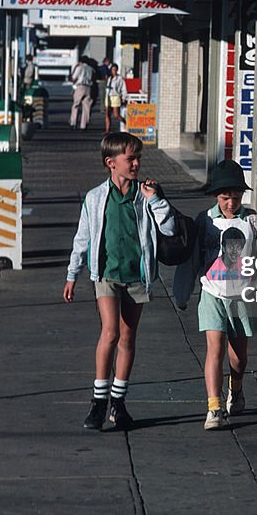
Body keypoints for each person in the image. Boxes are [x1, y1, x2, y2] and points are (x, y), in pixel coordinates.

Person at [63, 132, 177, 430]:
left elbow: (169, 228)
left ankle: (118, 401)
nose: (137, 163)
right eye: (131, 159)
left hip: (137, 276)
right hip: (107, 275)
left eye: (139, 157)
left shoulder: (146, 193)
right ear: (111, 163)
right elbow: (83, 238)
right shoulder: (95, 197)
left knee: (128, 337)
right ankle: (99, 402)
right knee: (110, 332)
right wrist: (72, 274)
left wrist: (157, 202)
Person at [195, 159, 257, 430]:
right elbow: (193, 257)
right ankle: (214, 407)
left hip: (242, 294)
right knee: (214, 349)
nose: (230, 203)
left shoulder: (253, 221)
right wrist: (183, 291)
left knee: (238, 355)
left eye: (236, 198)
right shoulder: (206, 220)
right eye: (225, 198)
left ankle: (235, 388)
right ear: (216, 196)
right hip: (212, 291)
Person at [69, 57, 95, 130]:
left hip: (80, 86)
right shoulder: (91, 69)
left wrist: (74, 68)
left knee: (76, 105)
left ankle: (73, 122)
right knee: (86, 106)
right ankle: (84, 125)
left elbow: (73, 78)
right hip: (89, 87)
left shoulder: (79, 68)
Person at [105, 63, 127, 133]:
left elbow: (124, 88)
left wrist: (124, 97)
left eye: (115, 69)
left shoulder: (120, 78)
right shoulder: (109, 78)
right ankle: (107, 130)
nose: (113, 71)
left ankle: (125, 121)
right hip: (108, 96)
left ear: (117, 70)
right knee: (107, 113)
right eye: (112, 69)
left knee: (116, 115)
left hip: (116, 97)